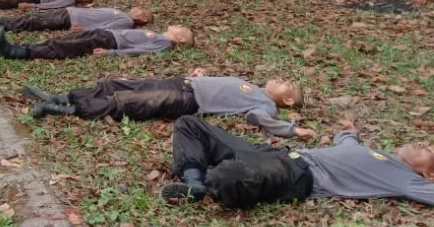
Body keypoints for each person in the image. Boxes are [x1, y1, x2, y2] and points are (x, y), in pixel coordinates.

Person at [162, 117, 434, 208]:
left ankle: (201, 185)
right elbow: (346, 142)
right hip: (277, 153)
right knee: (190, 124)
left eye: (430, 150)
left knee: (229, 176)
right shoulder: (377, 154)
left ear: (428, 174)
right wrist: (349, 130)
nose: (423, 144)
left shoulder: (403, 178)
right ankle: (194, 182)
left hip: (297, 174)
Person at [23, 73, 310, 134]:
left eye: (287, 84)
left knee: (126, 101)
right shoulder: (256, 87)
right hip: (182, 83)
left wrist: (292, 130)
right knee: (115, 84)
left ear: (285, 99)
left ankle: (64, 110)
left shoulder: (266, 105)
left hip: (187, 100)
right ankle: (63, 96)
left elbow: (259, 119)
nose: (280, 79)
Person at [0, 24, 195, 60]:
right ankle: (19, 47)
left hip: (109, 42)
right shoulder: (160, 36)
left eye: (180, 28)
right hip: (104, 33)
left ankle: (15, 52)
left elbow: (140, 51)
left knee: (64, 47)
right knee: (63, 39)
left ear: (180, 39)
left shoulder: (164, 43)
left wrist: (111, 53)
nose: (177, 25)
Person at [0, 6, 153, 35]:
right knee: (31, 17)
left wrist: (85, 31)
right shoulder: (122, 13)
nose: (136, 9)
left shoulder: (127, 22)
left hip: (71, 20)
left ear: (142, 18)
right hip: (69, 12)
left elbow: (107, 29)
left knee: (32, 22)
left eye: (140, 10)